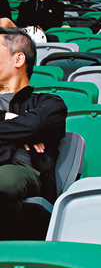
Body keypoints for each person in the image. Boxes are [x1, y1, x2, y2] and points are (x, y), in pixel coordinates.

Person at [0, 28, 66, 230]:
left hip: (20, 169)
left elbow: (35, 124)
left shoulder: (49, 103)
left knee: (4, 182)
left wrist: (24, 128)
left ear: (18, 59)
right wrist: (8, 120)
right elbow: (29, 126)